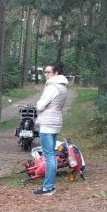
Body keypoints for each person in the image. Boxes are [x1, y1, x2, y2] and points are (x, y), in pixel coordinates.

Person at [34, 62, 69, 196]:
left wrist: (40, 104)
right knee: (51, 155)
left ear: (55, 73)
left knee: (49, 156)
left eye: (48, 72)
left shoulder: (52, 87)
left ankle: (48, 187)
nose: (45, 75)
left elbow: (40, 106)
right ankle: (49, 185)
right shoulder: (63, 87)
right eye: (44, 72)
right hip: (56, 122)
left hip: (48, 124)